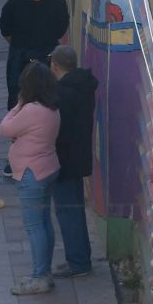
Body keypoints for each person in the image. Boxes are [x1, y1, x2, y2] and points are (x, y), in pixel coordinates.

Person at [2, 61, 62, 296]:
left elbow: (5, 129)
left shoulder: (30, 110)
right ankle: (44, 272)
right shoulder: (52, 108)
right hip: (47, 168)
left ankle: (39, 277)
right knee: (45, 223)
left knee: (34, 226)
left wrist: (18, 104)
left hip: (31, 173)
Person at [50, 45, 97, 278]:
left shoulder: (62, 94)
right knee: (75, 209)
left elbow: (57, 129)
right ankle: (81, 258)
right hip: (79, 156)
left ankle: (78, 261)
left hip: (63, 160)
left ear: (55, 66)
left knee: (67, 211)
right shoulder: (84, 86)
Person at [0, 0, 71, 108]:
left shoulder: (57, 4)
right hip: (20, 60)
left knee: (48, 101)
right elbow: (5, 30)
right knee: (17, 100)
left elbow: (60, 29)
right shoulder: (14, 3)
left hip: (47, 57)